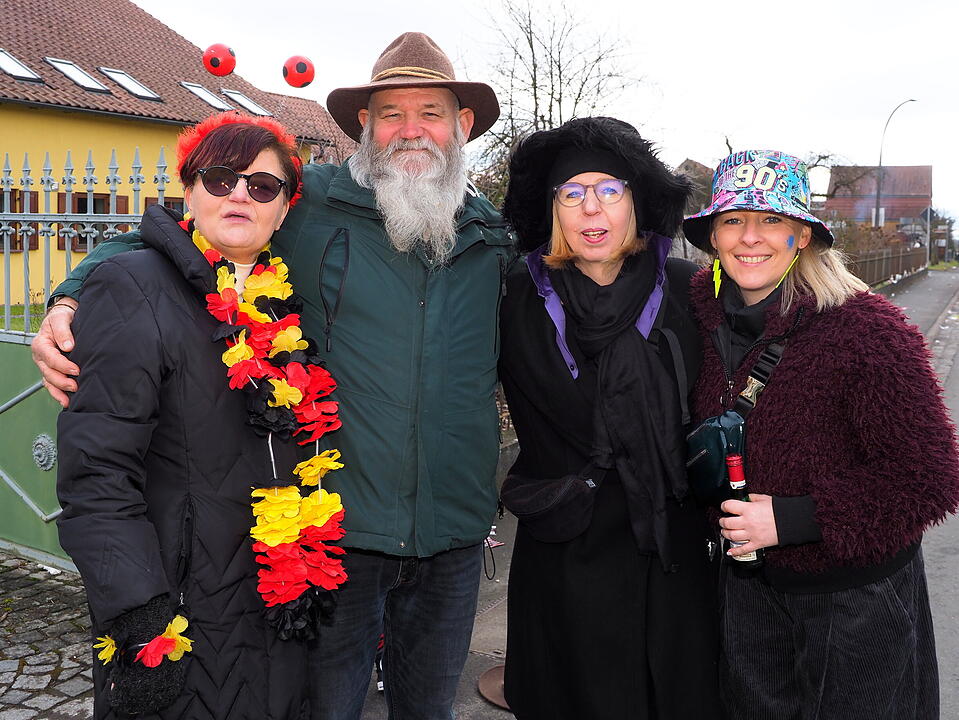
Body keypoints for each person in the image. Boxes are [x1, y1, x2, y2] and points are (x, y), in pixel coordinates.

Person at [33, 32, 513, 720]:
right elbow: (178, 231)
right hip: (339, 536)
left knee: (428, 709)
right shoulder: (302, 200)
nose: (412, 130)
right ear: (364, 128)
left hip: (454, 539)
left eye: (431, 112)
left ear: (462, 126)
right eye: (391, 113)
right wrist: (73, 292)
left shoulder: (490, 237)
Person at [56, 114, 347, 719]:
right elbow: (96, 472)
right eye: (220, 179)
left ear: (284, 209)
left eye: (262, 186)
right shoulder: (129, 284)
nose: (240, 194)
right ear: (188, 190)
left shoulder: (283, 304)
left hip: (271, 599)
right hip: (180, 604)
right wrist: (140, 614)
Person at [682, 149, 959, 720]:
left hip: (854, 603)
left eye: (771, 220)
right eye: (733, 220)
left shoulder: (866, 330)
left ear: (802, 236)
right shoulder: (702, 323)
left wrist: (791, 520)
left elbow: (930, 476)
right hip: (748, 594)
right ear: (713, 235)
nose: (749, 237)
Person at [497, 117, 721, 719]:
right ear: (553, 210)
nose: (591, 209)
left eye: (608, 190)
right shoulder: (514, 292)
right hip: (565, 548)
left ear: (635, 201)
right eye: (572, 193)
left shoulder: (689, 288)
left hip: (669, 550)